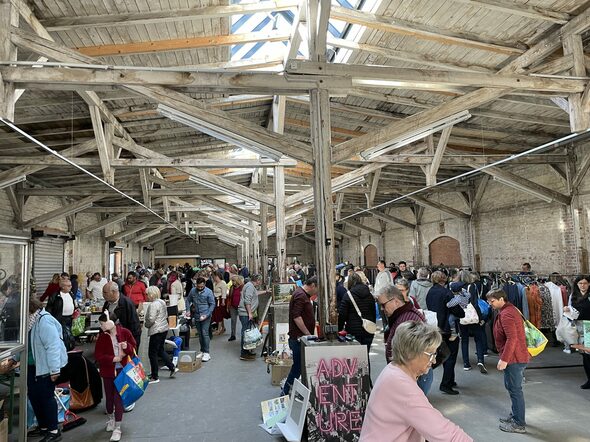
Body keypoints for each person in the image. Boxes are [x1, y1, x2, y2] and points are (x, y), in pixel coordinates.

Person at [360, 321, 472, 442]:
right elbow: (443, 432)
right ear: (410, 353)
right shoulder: (401, 386)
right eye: (431, 354)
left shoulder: (395, 370)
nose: (434, 361)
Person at [487, 288, 530, 434]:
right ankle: (516, 415)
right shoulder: (507, 310)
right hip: (514, 356)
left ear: (501, 299)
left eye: (492, 301)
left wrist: (504, 359)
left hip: (514, 358)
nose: (490, 304)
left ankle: (519, 423)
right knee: (512, 387)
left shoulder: (508, 314)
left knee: (515, 390)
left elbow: (513, 338)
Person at [377, 284, 433, 395]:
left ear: (396, 302)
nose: (382, 309)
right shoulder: (402, 316)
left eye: (383, 305)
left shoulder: (408, 319)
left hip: (414, 377)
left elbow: (410, 356)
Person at [27, 297, 68, 442]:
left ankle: (53, 430)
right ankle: (43, 426)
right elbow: (27, 344)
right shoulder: (29, 322)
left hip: (45, 367)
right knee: (34, 397)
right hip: (32, 366)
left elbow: (53, 347)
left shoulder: (43, 321)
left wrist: (54, 370)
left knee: (46, 397)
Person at [95, 311, 137, 442]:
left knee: (118, 399)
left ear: (110, 322)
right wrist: (114, 358)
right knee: (109, 398)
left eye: (102, 323)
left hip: (122, 372)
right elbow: (98, 355)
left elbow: (134, 348)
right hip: (108, 372)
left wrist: (127, 347)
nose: (101, 326)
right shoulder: (102, 337)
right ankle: (111, 419)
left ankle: (118, 427)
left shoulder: (125, 332)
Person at [426, 271, 462, 395]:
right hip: (448, 328)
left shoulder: (430, 291)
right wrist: (462, 313)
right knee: (450, 356)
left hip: (436, 326)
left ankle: (450, 380)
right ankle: (446, 384)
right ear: (444, 279)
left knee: (444, 354)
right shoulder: (447, 293)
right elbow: (456, 309)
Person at [282, 277, 318, 396]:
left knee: (298, 367)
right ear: (312, 285)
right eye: (317, 288)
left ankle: (289, 391)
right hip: (298, 338)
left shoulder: (302, 295)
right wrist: (307, 334)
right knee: (297, 368)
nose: (317, 292)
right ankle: (285, 392)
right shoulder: (300, 296)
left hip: (300, 338)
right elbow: (296, 316)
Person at [338, 273, 376, 375]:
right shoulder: (370, 295)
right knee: (365, 355)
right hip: (368, 330)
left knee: (354, 358)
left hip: (353, 331)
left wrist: (339, 329)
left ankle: (356, 379)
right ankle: (367, 379)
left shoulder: (348, 295)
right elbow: (373, 312)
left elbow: (342, 314)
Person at [450, 270, 487, 374]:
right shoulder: (472, 286)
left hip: (461, 316)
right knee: (478, 338)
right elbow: (475, 303)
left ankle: (466, 363)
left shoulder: (453, 287)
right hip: (472, 315)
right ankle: (480, 361)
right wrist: (480, 317)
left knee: (464, 340)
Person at [145, 286, 177, 383]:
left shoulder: (153, 305)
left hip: (156, 330)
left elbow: (151, 319)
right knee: (160, 350)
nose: (146, 296)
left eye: (147, 294)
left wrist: (146, 324)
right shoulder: (162, 302)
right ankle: (172, 367)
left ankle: (155, 376)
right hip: (163, 328)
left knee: (152, 353)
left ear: (151, 294)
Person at [565, 275, 590, 389]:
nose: (583, 285)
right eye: (580, 283)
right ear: (577, 284)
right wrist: (567, 310)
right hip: (578, 327)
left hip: (589, 326)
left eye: (585, 283)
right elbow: (570, 312)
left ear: (589, 284)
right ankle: (589, 379)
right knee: (584, 355)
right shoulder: (573, 296)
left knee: (588, 353)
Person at [102, 282, 142, 348]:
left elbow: (134, 324)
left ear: (114, 292)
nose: (103, 295)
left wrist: (132, 343)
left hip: (126, 339)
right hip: (113, 339)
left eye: (105, 292)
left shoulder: (127, 303)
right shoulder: (107, 303)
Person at [187, 277, 215, 362]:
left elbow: (212, 304)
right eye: (198, 286)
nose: (199, 288)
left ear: (204, 285)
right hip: (196, 315)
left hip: (206, 315)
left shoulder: (209, 292)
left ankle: (207, 352)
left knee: (204, 333)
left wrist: (207, 314)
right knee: (200, 334)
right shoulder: (193, 291)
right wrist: (188, 310)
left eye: (201, 287)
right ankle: (202, 351)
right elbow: (188, 300)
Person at [238, 274, 262, 361]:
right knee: (246, 333)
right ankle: (243, 353)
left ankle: (247, 351)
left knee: (247, 333)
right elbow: (247, 300)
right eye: (260, 280)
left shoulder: (250, 286)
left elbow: (254, 294)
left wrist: (266, 291)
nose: (260, 282)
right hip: (245, 313)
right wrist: (250, 313)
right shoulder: (250, 287)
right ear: (257, 280)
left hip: (246, 313)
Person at [227, 275, 244, 342]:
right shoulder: (232, 288)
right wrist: (228, 306)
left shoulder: (242, 288)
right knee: (233, 321)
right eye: (232, 281)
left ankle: (244, 334)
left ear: (237, 281)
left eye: (233, 281)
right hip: (233, 306)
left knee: (243, 321)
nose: (232, 282)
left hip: (240, 307)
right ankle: (233, 335)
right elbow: (230, 297)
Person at [211, 271, 228, 336]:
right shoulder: (214, 283)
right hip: (215, 299)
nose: (213, 278)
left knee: (219, 314)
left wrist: (223, 301)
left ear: (217, 276)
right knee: (219, 314)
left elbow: (224, 292)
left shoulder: (223, 283)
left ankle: (219, 329)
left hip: (220, 300)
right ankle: (223, 327)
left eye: (214, 277)